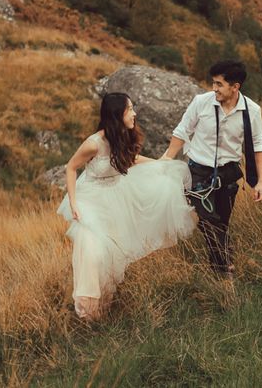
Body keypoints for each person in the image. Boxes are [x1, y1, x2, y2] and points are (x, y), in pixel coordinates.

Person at [57, 92, 195, 319]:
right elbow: (71, 168)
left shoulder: (123, 137)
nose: (135, 113)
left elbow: (132, 160)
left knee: (113, 251)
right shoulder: (94, 143)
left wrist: (161, 165)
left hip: (116, 198)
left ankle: (104, 307)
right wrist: (73, 203)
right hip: (90, 201)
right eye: (130, 109)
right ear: (117, 114)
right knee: (93, 251)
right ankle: (87, 311)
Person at [161, 60, 262, 279]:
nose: (214, 89)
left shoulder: (252, 111)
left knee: (222, 223)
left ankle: (219, 263)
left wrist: (260, 181)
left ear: (235, 87)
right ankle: (224, 268)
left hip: (228, 174)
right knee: (208, 221)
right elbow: (183, 131)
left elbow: (258, 145)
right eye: (213, 83)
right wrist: (166, 160)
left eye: (219, 84)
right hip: (198, 172)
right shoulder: (201, 102)